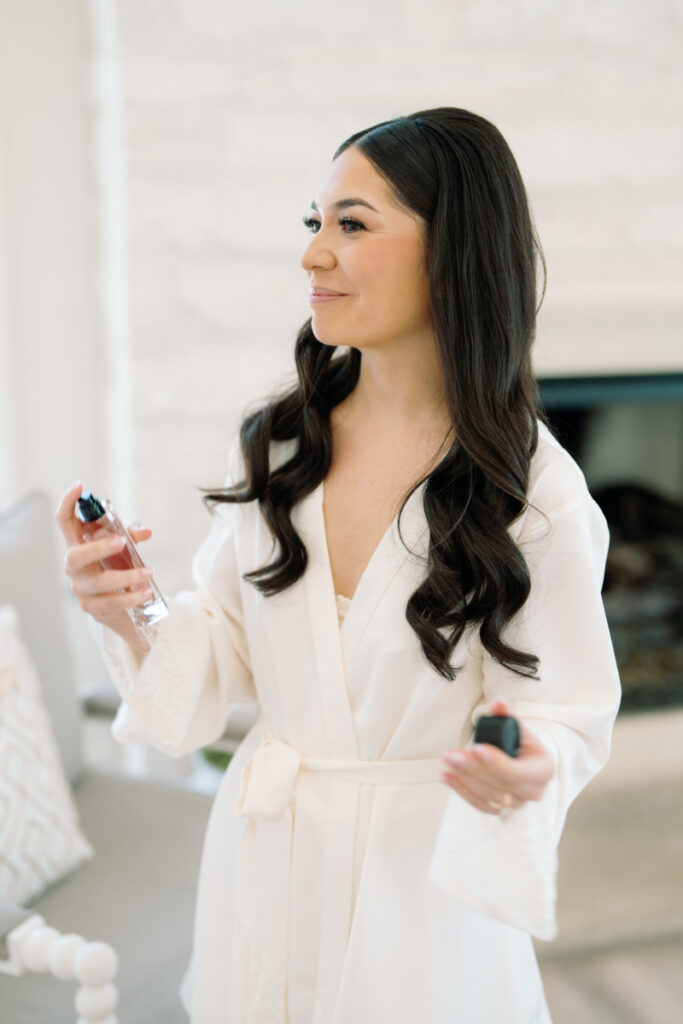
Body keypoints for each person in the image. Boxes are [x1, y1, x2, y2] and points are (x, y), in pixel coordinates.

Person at [56, 107, 621, 1024]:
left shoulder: (536, 500)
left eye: (352, 224)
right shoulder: (284, 445)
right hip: (264, 863)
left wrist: (526, 765)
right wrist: (131, 608)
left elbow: (562, 713)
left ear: (453, 252)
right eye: (313, 223)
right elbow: (223, 645)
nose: (314, 255)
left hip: (415, 900)